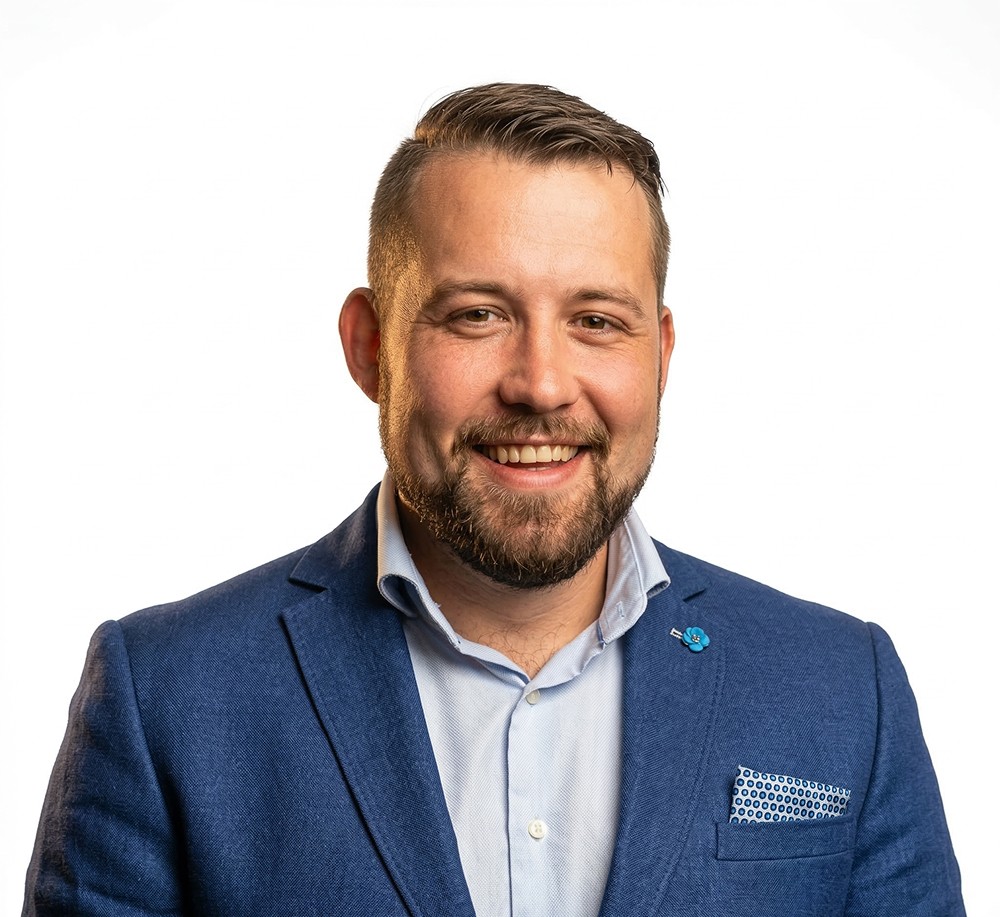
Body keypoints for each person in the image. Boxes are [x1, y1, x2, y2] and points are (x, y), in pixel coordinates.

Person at [23, 83, 964, 916]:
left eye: (596, 321)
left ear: (661, 354)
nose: (541, 384)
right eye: (478, 314)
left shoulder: (845, 690)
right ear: (370, 347)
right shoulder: (166, 697)